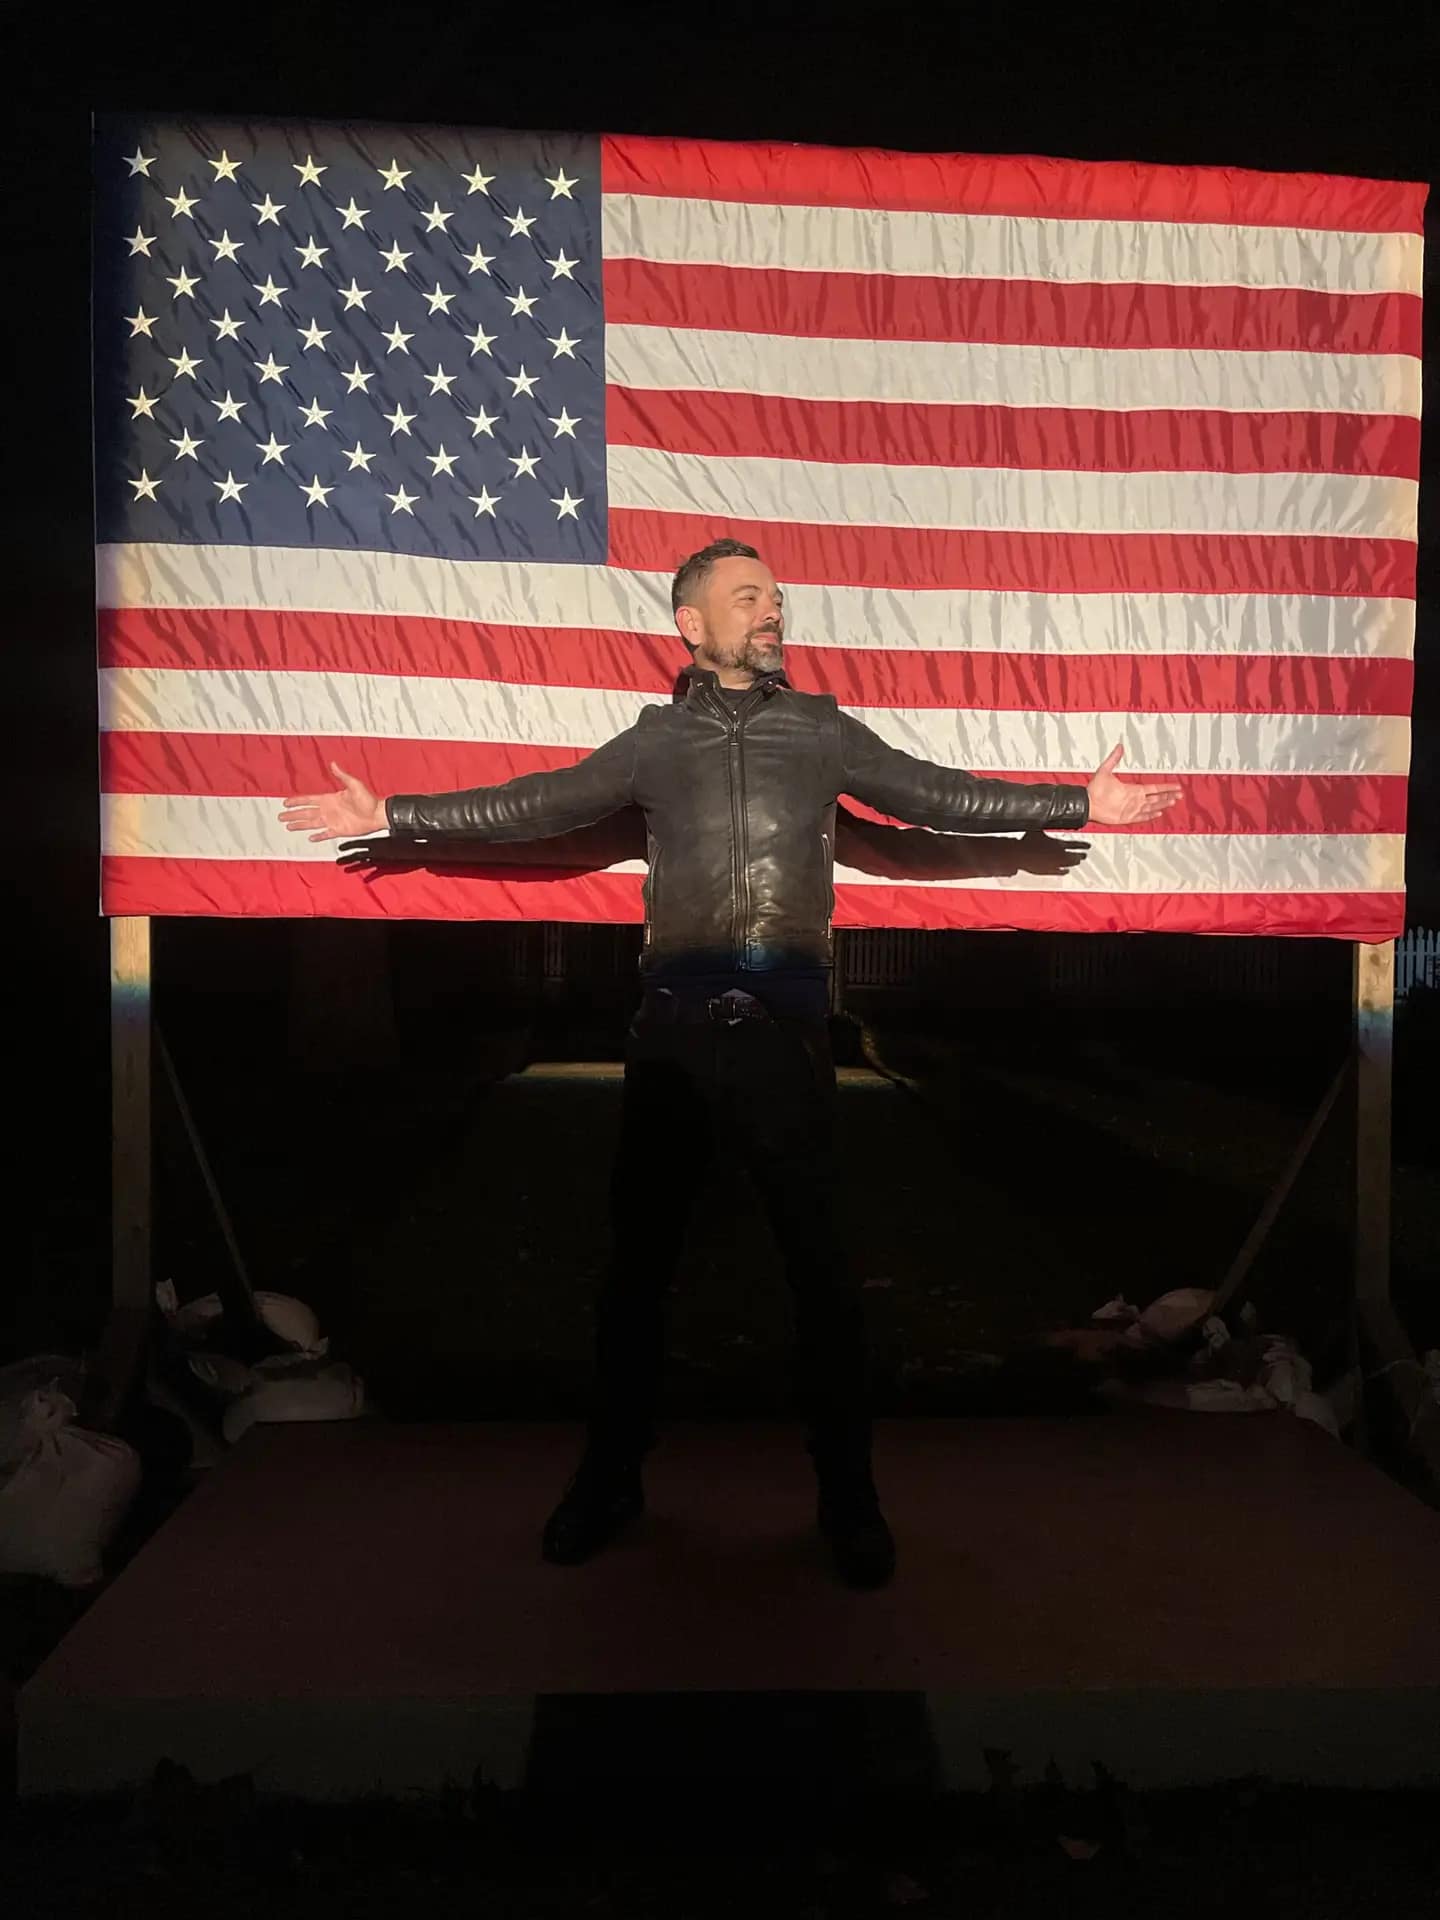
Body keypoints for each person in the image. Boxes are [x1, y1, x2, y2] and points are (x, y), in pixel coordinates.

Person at [279, 537, 1182, 1587]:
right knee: (636, 1283)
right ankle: (609, 1483)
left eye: (778, 599)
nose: (771, 612)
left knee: (823, 1283)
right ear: (691, 624)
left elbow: (936, 794)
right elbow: (539, 803)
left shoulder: (822, 730)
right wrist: (393, 816)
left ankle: (849, 1501)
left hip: (790, 1036)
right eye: (748, 596)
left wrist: (1076, 803)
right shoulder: (654, 743)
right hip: (673, 1033)